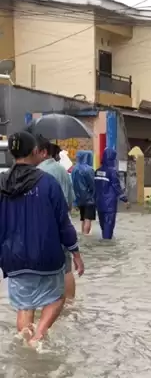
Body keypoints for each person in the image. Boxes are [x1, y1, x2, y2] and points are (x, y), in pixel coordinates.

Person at [0, 131, 84, 346]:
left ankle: (27, 341)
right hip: (47, 255)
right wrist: (75, 253)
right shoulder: (48, 183)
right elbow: (63, 223)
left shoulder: (2, 183)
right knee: (57, 298)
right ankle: (39, 335)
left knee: (24, 306)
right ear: (36, 151)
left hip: (13, 258)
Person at [36, 136, 77, 301]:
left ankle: (46, 305)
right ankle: (71, 304)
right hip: (62, 224)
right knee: (66, 268)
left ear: (43, 152)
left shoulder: (38, 172)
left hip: (41, 227)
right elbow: (70, 201)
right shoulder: (63, 171)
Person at [95, 148, 128, 240]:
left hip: (99, 204)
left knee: (103, 227)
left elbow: (95, 188)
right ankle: (107, 246)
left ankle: (103, 245)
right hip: (109, 205)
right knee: (108, 228)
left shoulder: (97, 171)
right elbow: (116, 187)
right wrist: (125, 199)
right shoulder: (112, 172)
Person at [71, 150, 96, 235]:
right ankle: (86, 235)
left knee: (83, 218)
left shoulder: (74, 169)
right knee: (88, 219)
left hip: (78, 198)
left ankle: (83, 234)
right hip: (89, 198)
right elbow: (92, 184)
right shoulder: (89, 170)